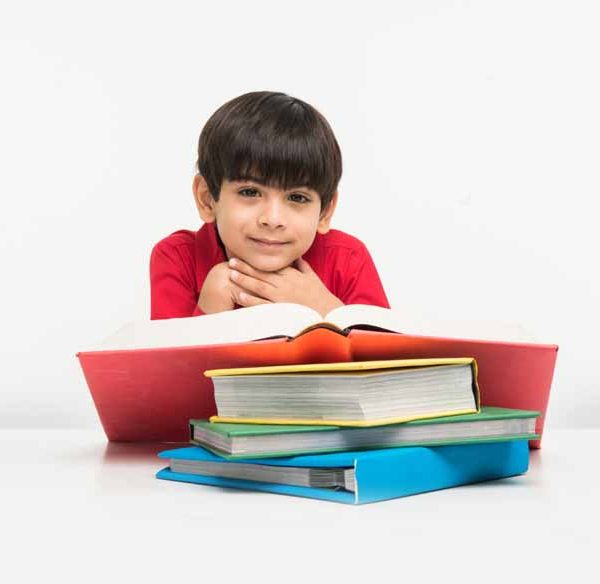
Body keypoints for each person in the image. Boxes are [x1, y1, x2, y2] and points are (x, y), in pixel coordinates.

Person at [150, 91, 390, 320]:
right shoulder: (178, 257)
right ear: (207, 199)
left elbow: (392, 357)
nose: (273, 219)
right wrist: (212, 307)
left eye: (297, 197)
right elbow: (163, 362)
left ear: (325, 212)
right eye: (250, 192)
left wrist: (326, 311)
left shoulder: (347, 259)